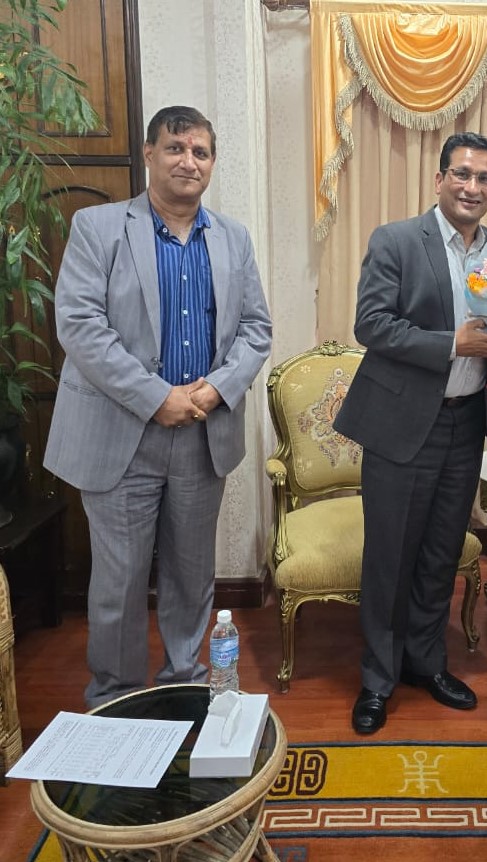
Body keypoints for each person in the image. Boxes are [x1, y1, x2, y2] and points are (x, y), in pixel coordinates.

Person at [44, 106, 272, 707]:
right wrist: (155, 398)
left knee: (191, 575)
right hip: (121, 433)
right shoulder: (99, 227)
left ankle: (182, 688)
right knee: (118, 580)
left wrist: (215, 389)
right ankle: (115, 700)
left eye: (200, 152)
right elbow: (80, 324)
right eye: (175, 148)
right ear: (149, 154)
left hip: (202, 433)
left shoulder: (233, 237)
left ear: (212, 163)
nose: (187, 161)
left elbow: (256, 329)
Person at [334, 132, 487, 734]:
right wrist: (451, 343)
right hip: (404, 424)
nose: (472, 187)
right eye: (462, 174)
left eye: (483, 177)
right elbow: (371, 325)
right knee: (391, 556)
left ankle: (426, 662)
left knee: (442, 552)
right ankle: (377, 678)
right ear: (439, 180)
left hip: (467, 422)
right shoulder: (396, 240)